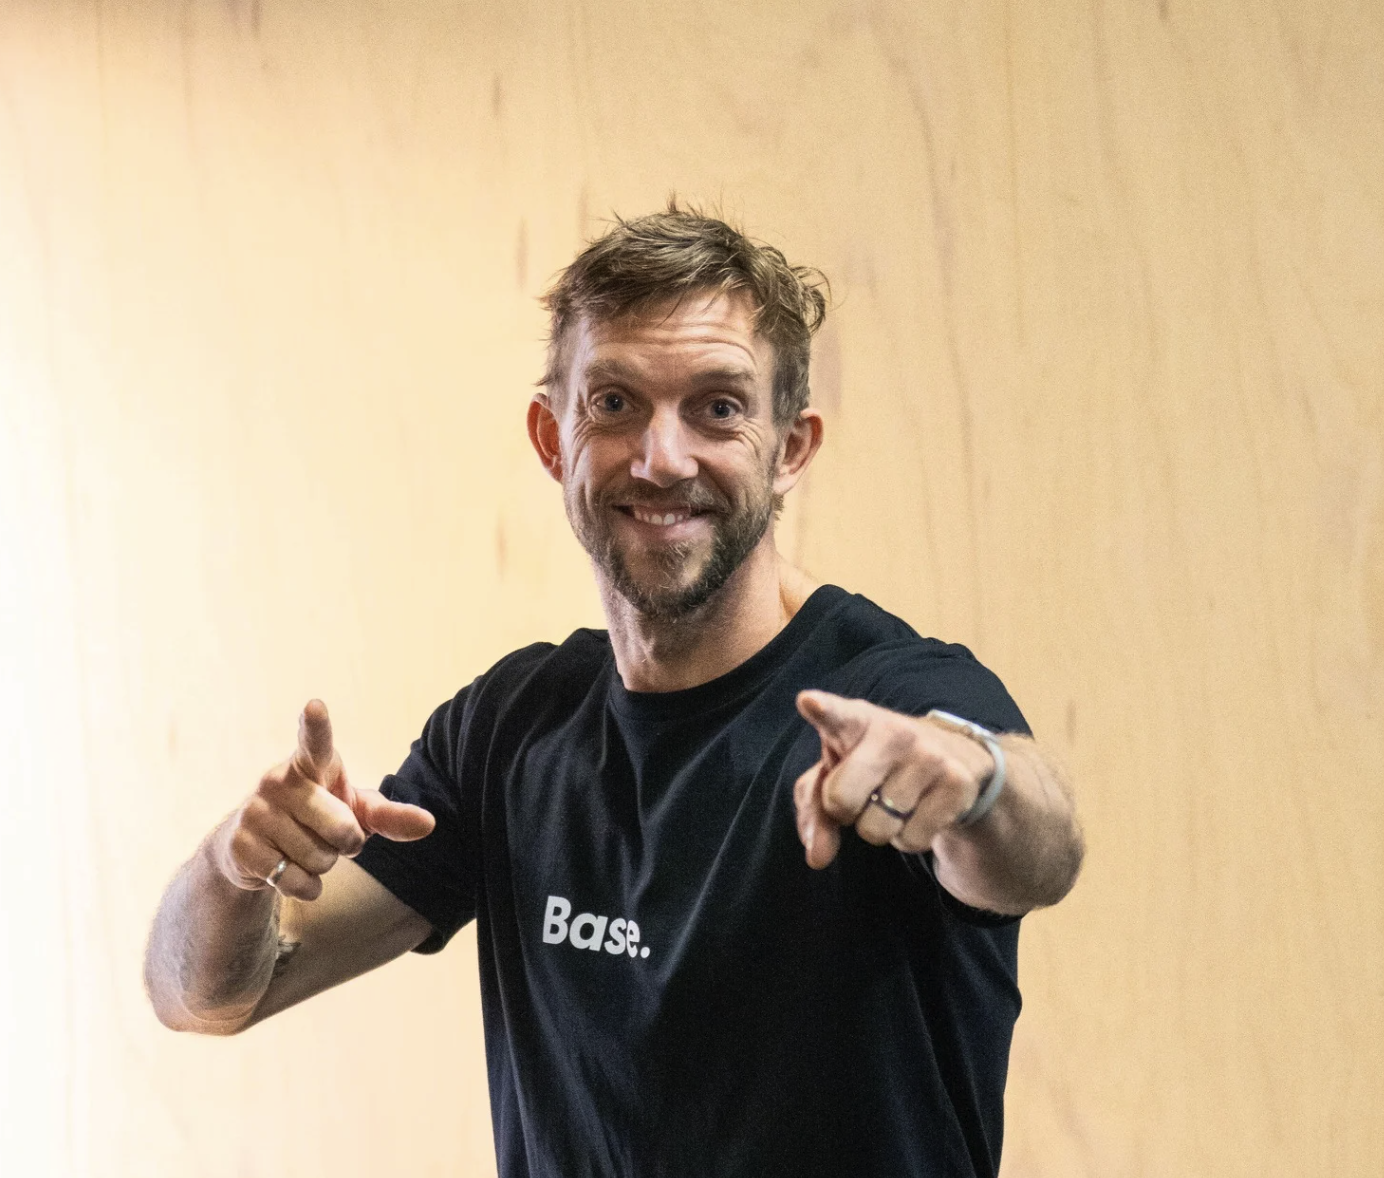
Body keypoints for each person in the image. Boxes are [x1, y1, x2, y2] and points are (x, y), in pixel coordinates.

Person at [145, 205, 1084, 1178]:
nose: (661, 457)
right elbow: (209, 996)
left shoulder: (890, 701)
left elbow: (1039, 853)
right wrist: (231, 866)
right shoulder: (510, 729)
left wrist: (975, 784)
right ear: (553, 438)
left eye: (718, 408)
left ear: (790, 449)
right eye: (615, 403)